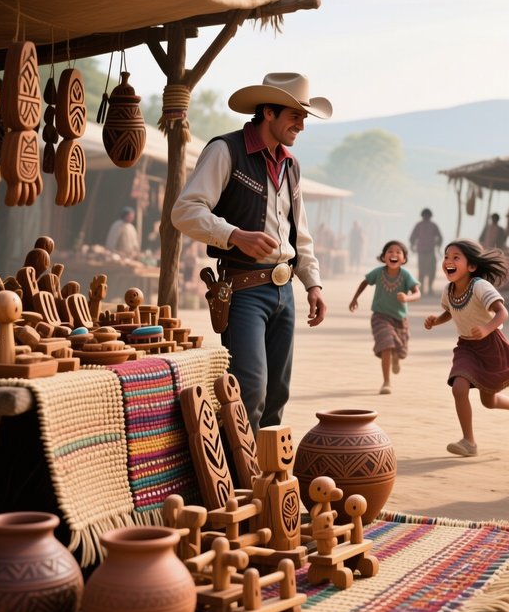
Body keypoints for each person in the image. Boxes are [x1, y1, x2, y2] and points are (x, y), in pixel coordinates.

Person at [171, 72, 329, 434]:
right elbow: (184, 211)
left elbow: (300, 234)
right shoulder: (225, 150)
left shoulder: (292, 166)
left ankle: (267, 478)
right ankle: (241, 479)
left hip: (284, 291)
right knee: (249, 389)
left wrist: (313, 285)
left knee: (277, 394)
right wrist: (234, 235)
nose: (302, 125)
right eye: (295, 116)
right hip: (242, 290)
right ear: (268, 113)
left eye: (304, 117)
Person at [424, 239, 509, 457]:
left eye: (456, 257)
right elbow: (451, 312)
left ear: (471, 266)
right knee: (459, 388)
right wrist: (437, 320)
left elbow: (502, 313)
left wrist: (486, 328)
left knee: (488, 401)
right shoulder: (448, 290)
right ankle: (469, 442)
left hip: (491, 346)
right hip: (466, 347)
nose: (448, 261)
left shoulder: (480, 286)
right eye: (446, 257)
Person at [349, 240, 421, 395]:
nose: (393, 254)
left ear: (404, 259)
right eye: (390, 251)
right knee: (387, 344)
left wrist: (407, 298)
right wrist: (355, 298)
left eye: (398, 252)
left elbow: (417, 293)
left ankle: (396, 357)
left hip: (399, 319)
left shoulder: (406, 275)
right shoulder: (378, 272)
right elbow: (365, 282)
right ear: (383, 257)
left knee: (400, 349)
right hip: (380, 316)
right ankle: (386, 382)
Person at [409, 208, 443, 296]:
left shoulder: (433, 226)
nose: (426, 217)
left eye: (427, 216)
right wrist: (412, 246)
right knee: (422, 270)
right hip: (422, 252)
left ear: (430, 216)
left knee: (431, 270)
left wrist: (438, 247)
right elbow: (412, 237)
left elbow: (440, 237)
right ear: (423, 216)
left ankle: (430, 287)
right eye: (425, 216)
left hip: (429, 251)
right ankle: (422, 288)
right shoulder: (419, 225)